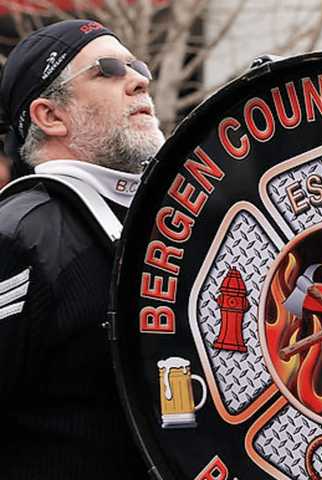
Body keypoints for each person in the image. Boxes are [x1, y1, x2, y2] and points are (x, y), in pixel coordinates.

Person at [0, 19, 164, 478]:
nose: (139, 80)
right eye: (107, 70)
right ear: (51, 116)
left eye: (137, 65)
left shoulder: (165, 220)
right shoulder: (17, 235)